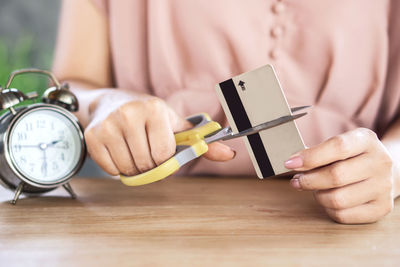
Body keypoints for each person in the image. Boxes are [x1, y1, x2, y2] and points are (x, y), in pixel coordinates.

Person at [52, 0, 400, 224]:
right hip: (153, 221)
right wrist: (105, 104)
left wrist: (392, 165)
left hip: (349, 226)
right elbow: (72, 83)